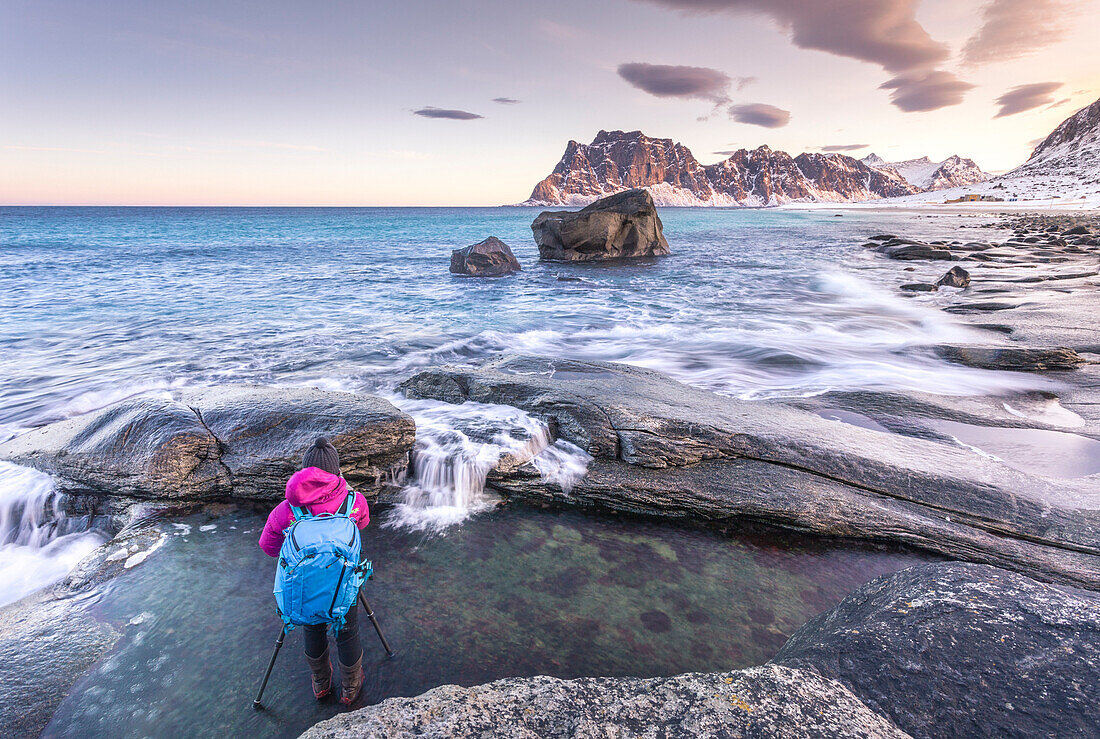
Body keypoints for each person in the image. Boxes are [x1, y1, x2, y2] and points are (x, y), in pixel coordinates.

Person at [259, 437, 370, 704]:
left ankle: (321, 683)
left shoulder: (287, 510)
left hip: (304, 584)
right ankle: (350, 688)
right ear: (337, 473)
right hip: (344, 581)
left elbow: (268, 547)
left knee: (312, 626)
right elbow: (361, 526)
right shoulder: (355, 502)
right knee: (348, 629)